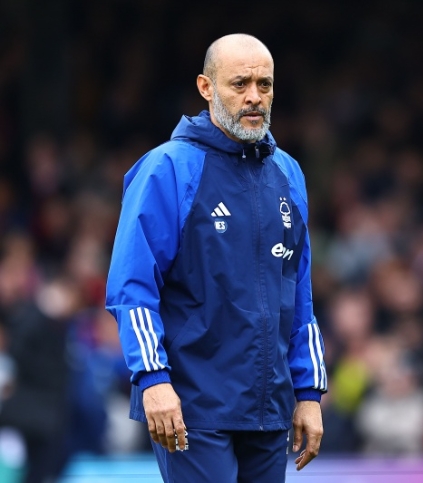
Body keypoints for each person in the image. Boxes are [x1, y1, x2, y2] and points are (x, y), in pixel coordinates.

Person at [105, 33, 327, 482]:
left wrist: (308, 391)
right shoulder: (168, 168)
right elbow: (132, 288)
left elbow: (299, 293)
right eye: (240, 84)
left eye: (264, 85)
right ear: (206, 88)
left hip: (269, 407)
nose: (254, 97)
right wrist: (153, 379)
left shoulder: (288, 172)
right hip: (192, 405)